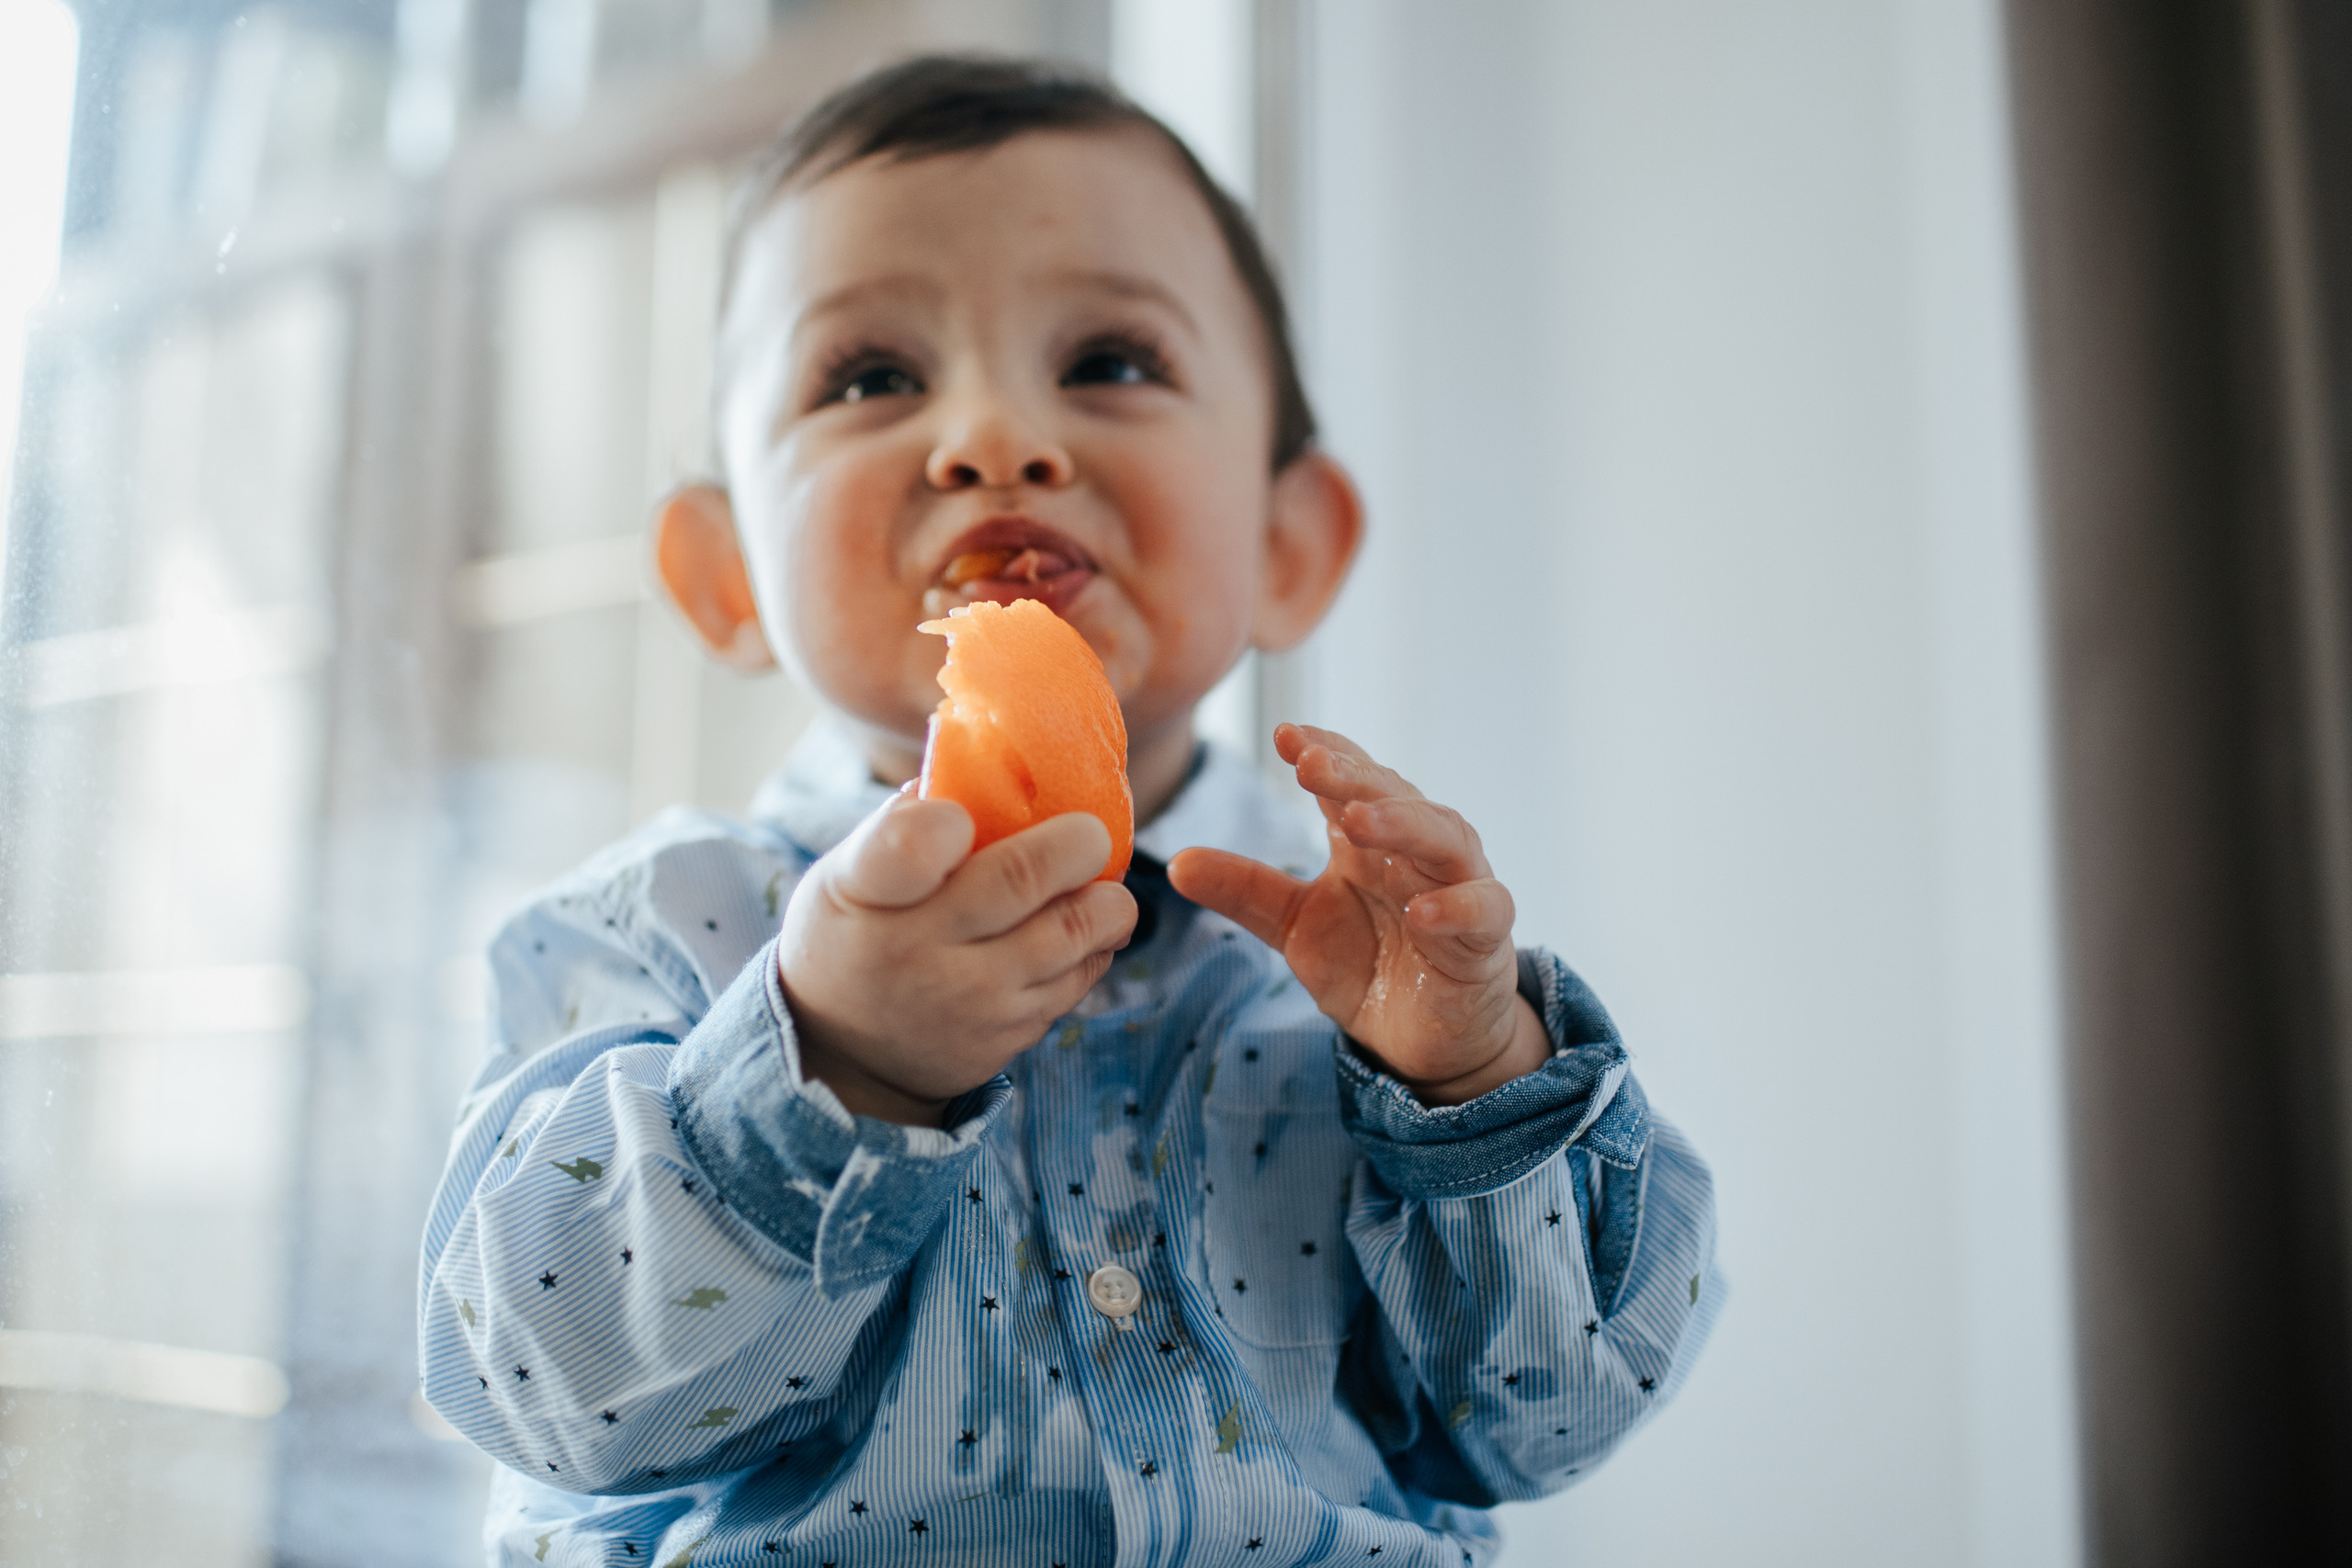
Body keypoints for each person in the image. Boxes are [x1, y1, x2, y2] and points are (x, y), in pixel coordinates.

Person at [418, 54, 1722, 1567]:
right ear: (724, 577)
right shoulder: (651, 937)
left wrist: (1476, 1094)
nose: (992, 438)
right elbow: (536, 1385)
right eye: (869, 378)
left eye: (1108, 359)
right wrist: (825, 1069)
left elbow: (1554, 1421)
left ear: (1288, 543)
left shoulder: (1372, 963)